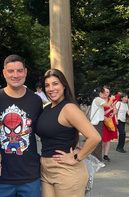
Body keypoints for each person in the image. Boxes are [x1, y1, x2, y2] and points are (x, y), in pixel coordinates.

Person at [0, 54, 43, 197]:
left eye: (19, 71)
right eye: (11, 71)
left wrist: (69, 143)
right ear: (4, 73)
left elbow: (45, 129)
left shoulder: (36, 100)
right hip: (0, 177)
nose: (15, 75)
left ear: (25, 72)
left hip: (30, 176)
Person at [35, 69, 100, 197]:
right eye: (47, 85)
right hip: (46, 169)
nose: (51, 88)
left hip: (65, 170)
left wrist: (77, 157)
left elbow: (94, 137)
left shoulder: (69, 108)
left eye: (55, 84)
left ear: (64, 85)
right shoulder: (47, 108)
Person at [89, 87, 115, 162]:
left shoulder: (97, 100)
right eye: (103, 93)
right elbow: (107, 105)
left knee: (98, 141)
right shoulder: (98, 99)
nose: (104, 95)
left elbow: (102, 113)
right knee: (98, 141)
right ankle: (97, 160)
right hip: (97, 123)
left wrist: (110, 109)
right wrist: (112, 98)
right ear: (100, 93)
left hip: (98, 122)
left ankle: (95, 159)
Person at [101, 86, 117, 162]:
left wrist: (113, 113)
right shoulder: (100, 100)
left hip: (110, 119)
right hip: (102, 119)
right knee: (103, 138)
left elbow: (115, 110)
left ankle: (106, 154)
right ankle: (99, 153)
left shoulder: (111, 100)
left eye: (107, 92)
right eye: (104, 92)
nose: (106, 93)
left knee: (108, 139)